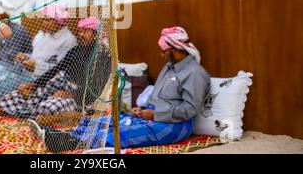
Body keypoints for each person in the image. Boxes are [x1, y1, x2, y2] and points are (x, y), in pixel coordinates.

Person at [35, 26, 210, 152]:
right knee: (107, 122)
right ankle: (70, 135)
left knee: (123, 134)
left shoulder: (195, 73)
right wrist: (142, 109)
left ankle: (65, 142)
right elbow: (157, 97)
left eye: (164, 51)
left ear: (175, 50)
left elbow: (190, 109)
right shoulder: (169, 67)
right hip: (153, 115)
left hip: (175, 125)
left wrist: (155, 115)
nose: (161, 55)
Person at [0, 17, 111, 123]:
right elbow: (56, 69)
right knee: (20, 94)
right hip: (61, 83)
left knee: (47, 107)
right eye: (80, 31)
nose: (80, 34)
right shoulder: (76, 50)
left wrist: (71, 94)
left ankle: (30, 119)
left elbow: (96, 89)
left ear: (96, 34)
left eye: (85, 31)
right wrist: (34, 85)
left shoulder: (104, 57)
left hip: (81, 98)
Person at [14, 4, 77, 78]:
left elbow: (61, 69)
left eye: (48, 20)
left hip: (45, 80)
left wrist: (36, 67)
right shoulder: (46, 35)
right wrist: (26, 57)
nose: (44, 23)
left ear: (59, 20)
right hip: (28, 75)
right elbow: (38, 57)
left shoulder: (68, 40)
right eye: (43, 20)